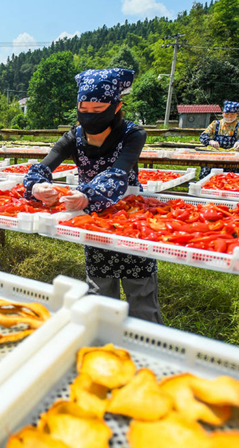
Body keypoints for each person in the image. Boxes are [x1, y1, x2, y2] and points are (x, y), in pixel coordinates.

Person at [23, 68, 163, 324]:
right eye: (84, 108)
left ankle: (148, 346)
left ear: (117, 106)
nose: (90, 115)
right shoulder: (72, 138)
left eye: (98, 110)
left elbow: (118, 174)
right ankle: (102, 342)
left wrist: (88, 194)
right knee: (99, 289)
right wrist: (37, 186)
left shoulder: (133, 134)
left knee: (140, 290)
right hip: (92, 219)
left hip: (130, 217)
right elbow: (42, 166)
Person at [198, 100, 239, 178]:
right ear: (222, 113)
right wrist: (210, 141)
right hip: (215, 156)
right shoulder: (215, 124)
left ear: (237, 114)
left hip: (232, 157)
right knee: (208, 174)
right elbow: (203, 136)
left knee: (230, 177)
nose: (229, 117)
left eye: (232, 114)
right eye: (227, 114)